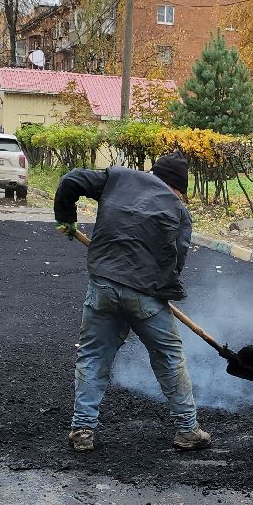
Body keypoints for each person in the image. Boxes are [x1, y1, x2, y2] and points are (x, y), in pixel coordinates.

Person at [53, 153, 210, 453]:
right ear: (177, 187)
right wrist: (158, 292)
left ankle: (83, 430)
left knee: (93, 355)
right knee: (169, 358)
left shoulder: (118, 177)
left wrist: (66, 219)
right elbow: (176, 264)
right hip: (146, 295)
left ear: (153, 173)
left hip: (102, 285)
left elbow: (71, 179)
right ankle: (188, 430)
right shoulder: (179, 211)